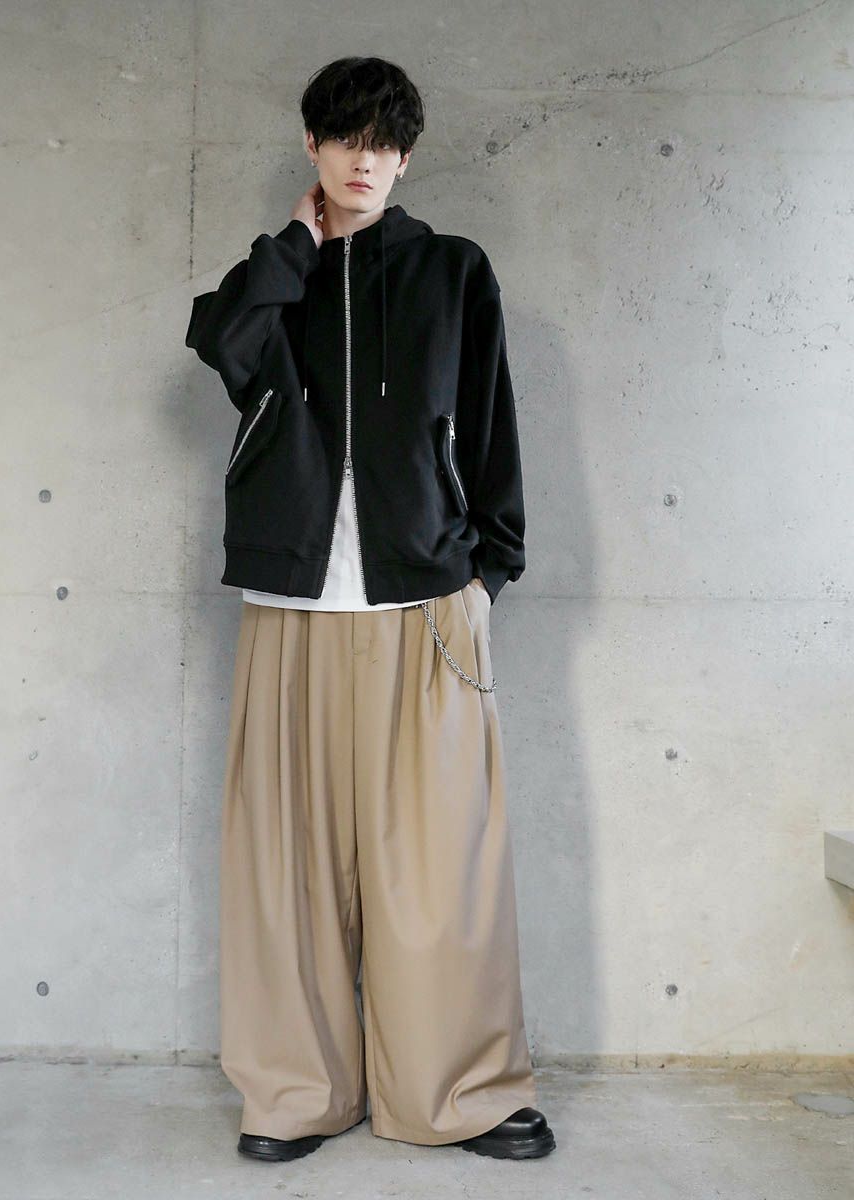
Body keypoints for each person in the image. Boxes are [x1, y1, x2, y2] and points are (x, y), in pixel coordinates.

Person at [185, 55, 556, 1164]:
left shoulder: (451, 269)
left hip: (425, 597)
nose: (366, 160)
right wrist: (294, 249)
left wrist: (490, 574)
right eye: (346, 138)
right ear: (313, 146)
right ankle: (295, 1092)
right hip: (293, 601)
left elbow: (490, 423)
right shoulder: (275, 277)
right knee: (287, 868)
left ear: (406, 157)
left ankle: (460, 1093)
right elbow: (223, 345)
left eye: (385, 143)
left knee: (439, 868)